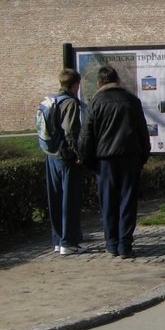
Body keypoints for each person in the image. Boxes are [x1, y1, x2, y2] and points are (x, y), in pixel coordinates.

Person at [78, 66, 151, 259]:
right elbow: (143, 132)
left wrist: (88, 161)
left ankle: (111, 242)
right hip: (130, 157)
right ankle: (125, 243)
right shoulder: (132, 101)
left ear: (99, 83)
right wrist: (143, 156)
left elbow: (86, 136)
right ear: (117, 80)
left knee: (108, 201)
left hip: (105, 160)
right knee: (128, 201)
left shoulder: (95, 103)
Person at [40, 69, 87, 255]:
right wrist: (77, 153)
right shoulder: (69, 103)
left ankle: (58, 240)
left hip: (50, 154)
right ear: (75, 85)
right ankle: (69, 242)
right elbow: (70, 131)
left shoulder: (50, 101)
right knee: (70, 199)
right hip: (66, 157)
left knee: (56, 198)